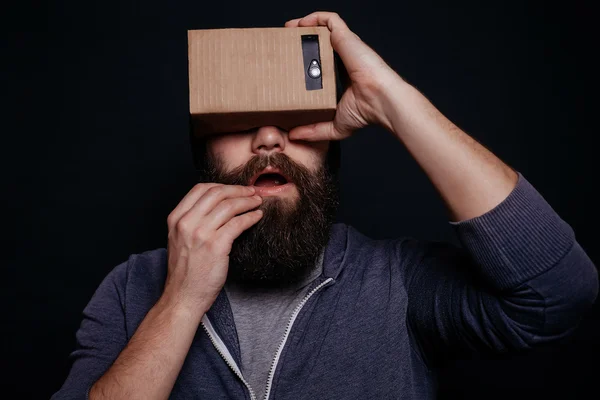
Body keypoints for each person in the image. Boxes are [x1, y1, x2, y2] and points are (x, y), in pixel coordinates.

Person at [52, 11, 598, 400]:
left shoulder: (397, 282)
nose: (269, 139)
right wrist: (178, 304)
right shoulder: (133, 288)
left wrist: (390, 98)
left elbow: (557, 293)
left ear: (332, 151)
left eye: (294, 120)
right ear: (203, 149)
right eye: (239, 122)